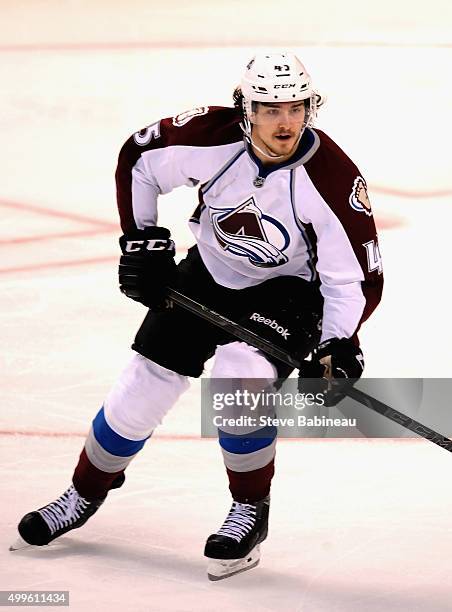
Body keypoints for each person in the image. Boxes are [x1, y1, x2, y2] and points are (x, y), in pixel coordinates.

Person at [13, 52, 383, 580]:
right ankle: (83, 494)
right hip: (208, 271)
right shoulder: (211, 137)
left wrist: (338, 343)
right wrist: (142, 240)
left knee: (241, 376)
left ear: (310, 109)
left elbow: (354, 279)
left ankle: (249, 508)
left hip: (289, 293)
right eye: (271, 108)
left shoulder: (332, 179)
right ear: (246, 109)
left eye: (296, 108)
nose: (285, 122)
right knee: (144, 383)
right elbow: (138, 160)